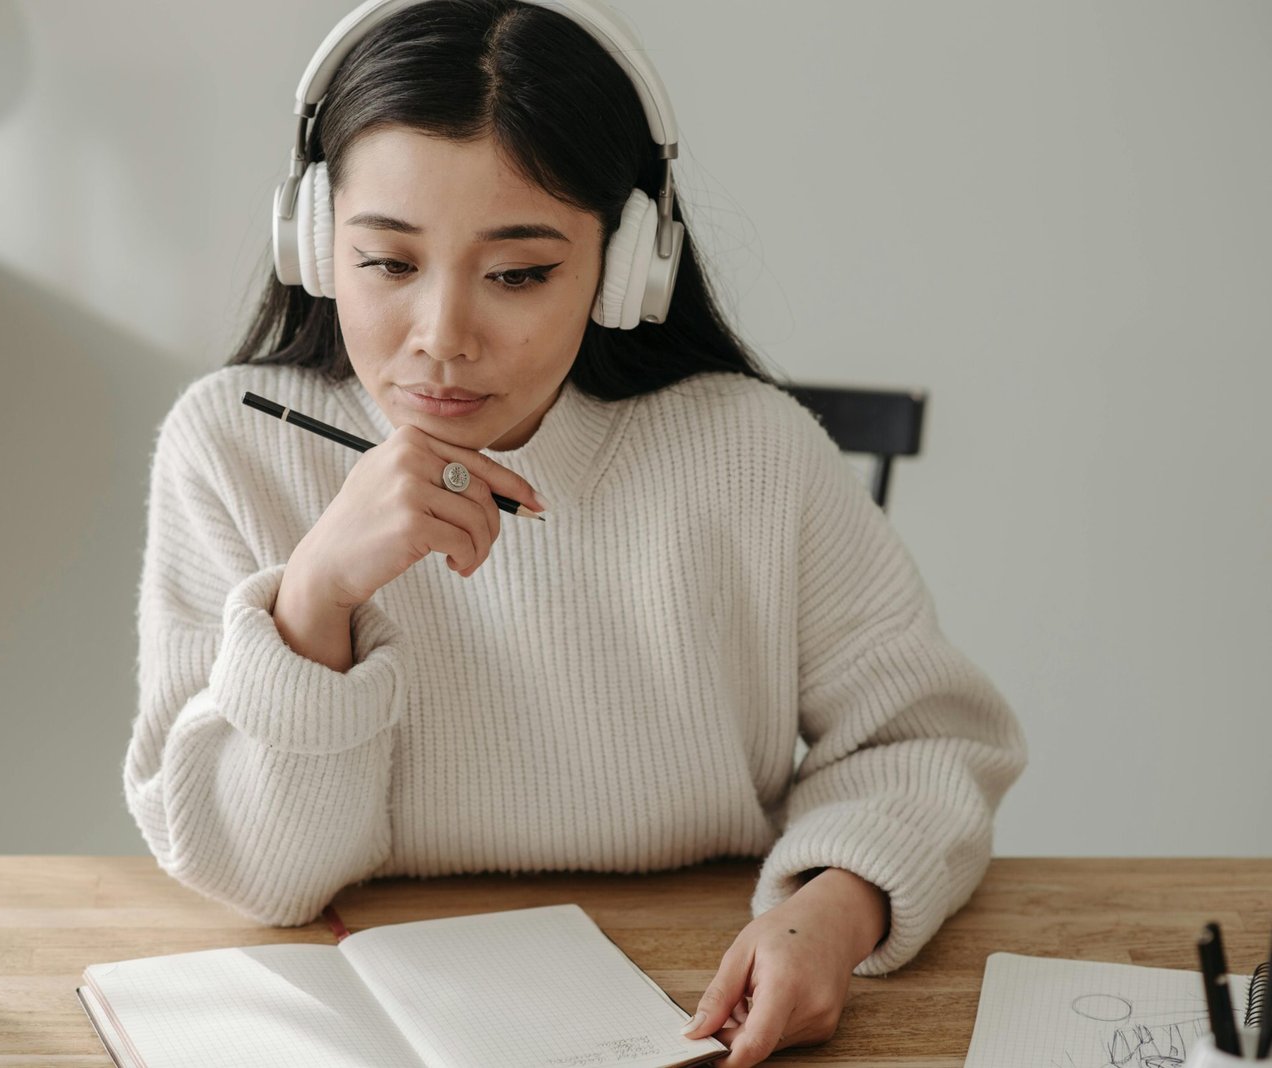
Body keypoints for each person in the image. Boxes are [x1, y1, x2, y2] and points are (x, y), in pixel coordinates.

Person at [124, 1, 1027, 1064]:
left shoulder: (752, 451)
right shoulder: (229, 446)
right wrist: (313, 597)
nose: (442, 340)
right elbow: (259, 880)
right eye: (387, 263)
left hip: (690, 993)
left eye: (517, 273)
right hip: (356, 1007)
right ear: (315, 245)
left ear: (628, 262)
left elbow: (926, 743)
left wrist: (832, 909)